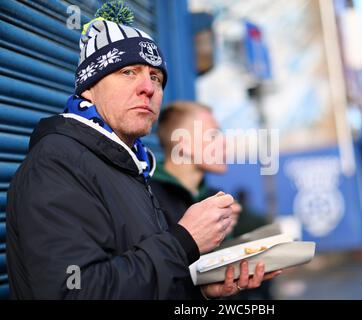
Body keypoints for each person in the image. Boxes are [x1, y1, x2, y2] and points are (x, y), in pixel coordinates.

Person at [5, 1, 279, 299]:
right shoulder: (56, 164)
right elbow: (76, 292)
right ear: (89, 87)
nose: (148, 88)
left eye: (156, 77)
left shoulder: (128, 166)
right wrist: (184, 240)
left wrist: (197, 290)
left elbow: (138, 277)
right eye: (127, 72)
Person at [151, 101, 274, 299]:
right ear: (184, 143)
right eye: (213, 134)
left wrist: (227, 238)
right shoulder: (148, 198)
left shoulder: (216, 197)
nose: (224, 142)